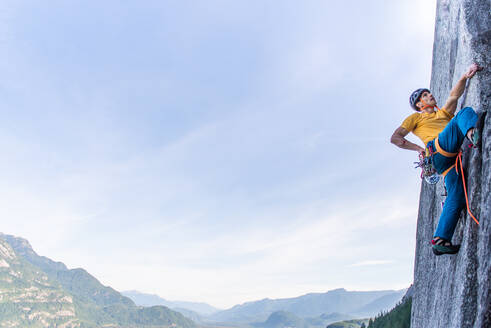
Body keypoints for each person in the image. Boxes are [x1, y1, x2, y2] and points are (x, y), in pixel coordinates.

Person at [390, 63, 482, 256]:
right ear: (419, 105)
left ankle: (441, 239)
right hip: (437, 150)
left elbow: (454, 96)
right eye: (424, 95)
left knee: (455, 195)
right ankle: (473, 134)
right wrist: (419, 149)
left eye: (428, 93)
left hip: (446, 163)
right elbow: (396, 138)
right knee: (463, 114)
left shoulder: (442, 114)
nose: (429, 95)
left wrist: (465, 76)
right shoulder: (415, 118)